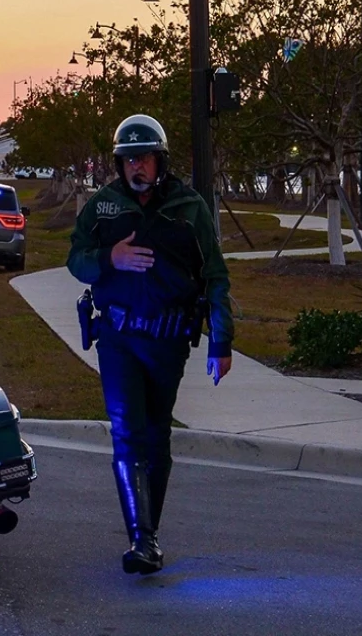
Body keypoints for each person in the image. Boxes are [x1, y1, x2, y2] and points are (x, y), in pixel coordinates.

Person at [66, 114, 233, 576]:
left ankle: (150, 533)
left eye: (145, 158)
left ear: (161, 161)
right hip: (118, 338)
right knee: (126, 432)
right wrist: (109, 258)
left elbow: (215, 275)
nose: (137, 167)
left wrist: (222, 340)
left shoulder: (189, 206)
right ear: (118, 165)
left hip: (167, 341)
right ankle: (140, 539)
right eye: (128, 160)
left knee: (156, 435)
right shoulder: (102, 207)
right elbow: (75, 260)